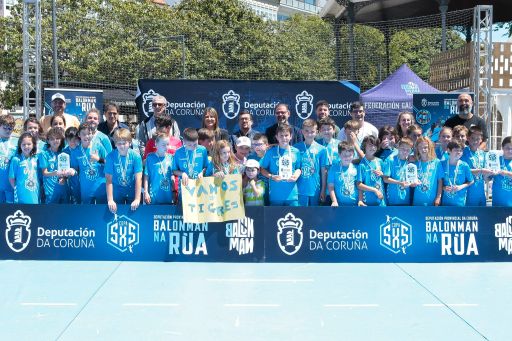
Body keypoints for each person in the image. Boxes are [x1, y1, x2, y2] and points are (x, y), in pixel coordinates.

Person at [260, 124, 302, 206]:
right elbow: (262, 169)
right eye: (281, 136)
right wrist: (272, 176)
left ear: (291, 136)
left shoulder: (296, 151)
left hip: (292, 195)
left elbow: (298, 168)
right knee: (275, 218)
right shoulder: (270, 152)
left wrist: (296, 174)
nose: (284, 138)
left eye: (286, 135)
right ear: (277, 137)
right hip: (276, 195)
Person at [105, 128, 143, 213]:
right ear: (115, 144)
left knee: (134, 214)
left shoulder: (136, 156)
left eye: (124, 143)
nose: (122, 146)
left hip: (132, 189)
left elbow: (138, 179)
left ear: (130, 143)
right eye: (119, 143)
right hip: (117, 190)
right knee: (116, 214)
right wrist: (110, 200)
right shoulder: (110, 157)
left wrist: (137, 199)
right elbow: (108, 180)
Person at [70, 122, 108, 204]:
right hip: (86, 188)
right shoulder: (76, 151)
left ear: (92, 134)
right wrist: (73, 171)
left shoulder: (98, 146)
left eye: (89, 133)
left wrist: (99, 159)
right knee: (87, 212)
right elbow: (75, 169)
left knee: (100, 211)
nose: (87, 136)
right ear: (79, 135)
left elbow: (109, 163)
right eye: (84, 134)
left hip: (100, 186)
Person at [294, 119, 328, 206]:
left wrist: (323, 190)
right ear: (302, 132)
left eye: (312, 131)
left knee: (314, 216)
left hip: (315, 189)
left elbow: (323, 171)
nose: (309, 134)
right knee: (300, 216)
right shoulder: (295, 148)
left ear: (316, 132)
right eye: (306, 131)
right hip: (299, 189)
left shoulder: (322, 149)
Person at [144, 131, 175, 205]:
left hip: (168, 195)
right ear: (156, 145)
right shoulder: (150, 157)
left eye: (167, 144)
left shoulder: (170, 157)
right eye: (163, 145)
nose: (166, 147)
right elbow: (146, 176)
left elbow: (172, 174)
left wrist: (174, 190)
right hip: (154, 196)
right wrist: (146, 192)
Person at [40, 127, 70, 203]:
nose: (55, 141)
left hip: (63, 188)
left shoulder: (64, 153)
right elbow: (44, 173)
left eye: (57, 138)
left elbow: (67, 171)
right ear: (48, 140)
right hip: (50, 190)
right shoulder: (44, 154)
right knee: (51, 213)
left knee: (64, 212)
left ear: (61, 140)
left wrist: (64, 178)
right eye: (52, 139)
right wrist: (55, 173)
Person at [462, 127, 491, 206]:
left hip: (481, 193)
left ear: (481, 140)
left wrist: (489, 174)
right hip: (468, 192)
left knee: (482, 216)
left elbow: (485, 178)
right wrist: (481, 171)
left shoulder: (483, 154)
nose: (475, 141)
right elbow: (463, 170)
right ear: (468, 138)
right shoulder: (463, 152)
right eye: (473, 138)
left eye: (478, 139)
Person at [440, 140, 474, 206]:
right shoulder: (442, 164)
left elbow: (471, 181)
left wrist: (460, 187)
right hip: (445, 203)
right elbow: (438, 182)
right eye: (456, 150)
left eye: (460, 150)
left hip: (460, 203)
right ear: (449, 150)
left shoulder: (464, 165)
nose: (458, 152)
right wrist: (444, 188)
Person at [9, 132, 40, 204]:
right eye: (23, 144)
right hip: (21, 194)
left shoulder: (36, 159)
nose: (26, 146)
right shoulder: (16, 159)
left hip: (34, 192)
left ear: (33, 145)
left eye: (29, 144)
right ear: (20, 145)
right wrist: (16, 189)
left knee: (35, 213)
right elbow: (11, 178)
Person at [383, 137, 414, 206]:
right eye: (403, 149)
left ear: (411, 150)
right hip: (393, 198)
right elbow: (385, 179)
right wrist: (399, 183)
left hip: (406, 198)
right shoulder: (391, 160)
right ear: (398, 147)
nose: (405, 152)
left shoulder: (410, 162)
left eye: (408, 150)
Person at [413, 136, 443, 206]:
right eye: (420, 147)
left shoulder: (437, 162)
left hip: (432, 200)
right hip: (417, 200)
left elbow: (440, 181)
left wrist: (438, 197)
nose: (423, 150)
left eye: (425, 147)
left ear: (429, 148)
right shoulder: (415, 163)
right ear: (417, 148)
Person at [356, 136, 385, 206]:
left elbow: (386, 178)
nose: (373, 147)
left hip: (381, 201)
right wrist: (374, 190)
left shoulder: (380, 161)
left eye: (375, 145)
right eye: (370, 145)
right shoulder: (362, 165)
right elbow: (359, 185)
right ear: (364, 146)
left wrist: (382, 174)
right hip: (368, 201)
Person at [328, 141, 358, 206]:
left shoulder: (356, 168)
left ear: (353, 155)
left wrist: (360, 201)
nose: (347, 157)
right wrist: (334, 201)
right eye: (344, 155)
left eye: (350, 155)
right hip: (339, 204)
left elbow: (359, 185)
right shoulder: (333, 169)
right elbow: (331, 187)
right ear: (339, 154)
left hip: (355, 204)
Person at [0, 114, 18, 203]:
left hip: (11, 184)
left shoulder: (17, 142)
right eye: (5, 128)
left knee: (10, 211)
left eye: (10, 128)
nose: (8, 130)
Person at [491, 136, 512, 207]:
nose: (510, 151)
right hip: (497, 203)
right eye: (508, 148)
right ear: (502, 148)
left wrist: (506, 173)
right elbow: (487, 179)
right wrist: (487, 173)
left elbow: (506, 173)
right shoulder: (496, 161)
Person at [63, 127, 81, 204]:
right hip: (69, 182)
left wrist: (75, 172)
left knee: (79, 201)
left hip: (80, 182)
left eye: (74, 140)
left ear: (79, 139)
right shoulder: (64, 151)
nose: (72, 142)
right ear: (66, 140)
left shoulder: (82, 150)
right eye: (69, 140)